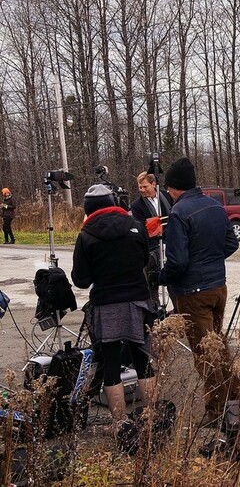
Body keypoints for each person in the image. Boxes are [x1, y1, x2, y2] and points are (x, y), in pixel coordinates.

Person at [158, 157, 240, 424]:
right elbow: (231, 243)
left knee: (205, 352)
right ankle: (237, 400)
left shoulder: (178, 213)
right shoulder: (215, 206)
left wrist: (161, 277)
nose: (168, 193)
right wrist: (211, 260)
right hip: (218, 286)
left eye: (168, 188)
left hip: (193, 292)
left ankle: (217, 412)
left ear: (175, 187)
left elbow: (178, 261)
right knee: (218, 345)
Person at [71, 185, 157, 433]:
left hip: (106, 303)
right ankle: (150, 417)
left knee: (110, 362)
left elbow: (81, 280)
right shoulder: (136, 226)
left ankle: (119, 423)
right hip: (138, 300)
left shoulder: (86, 235)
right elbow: (144, 261)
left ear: (88, 209)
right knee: (142, 358)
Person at [130, 171, 173, 313]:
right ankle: (154, 313)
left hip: (170, 244)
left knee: (172, 280)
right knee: (151, 282)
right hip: (152, 248)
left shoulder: (166, 197)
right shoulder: (137, 205)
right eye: (140, 187)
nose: (142, 190)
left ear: (153, 184)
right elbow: (142, 227)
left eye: (145, 186)